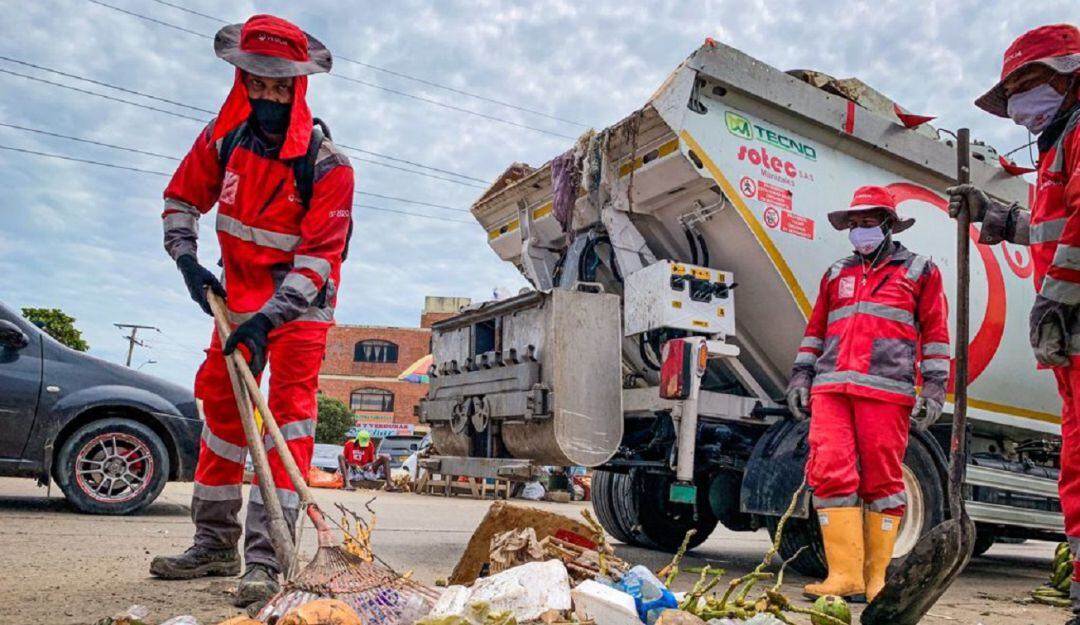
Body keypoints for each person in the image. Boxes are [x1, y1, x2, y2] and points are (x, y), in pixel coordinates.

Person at [148, 14, 354, 609]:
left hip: (299, 310)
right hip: (234, 305)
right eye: (255, 84)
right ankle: (214, 543)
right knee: (221, 408)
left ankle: (269, 557)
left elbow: (319, 259)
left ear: (298, 88)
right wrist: (188, 263)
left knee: (286, 422)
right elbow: (180, 199)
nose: (265, 95)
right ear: (241, 80)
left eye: (278, 86)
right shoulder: (223, 138)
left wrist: (270, 319)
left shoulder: (329, 166)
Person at [947, 24, 1080, 622]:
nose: (1022, 103)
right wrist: (995, 216)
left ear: (1068, 74)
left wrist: (1057, 299)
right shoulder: (1059, 145)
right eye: (1015, 91)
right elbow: (1051, 227)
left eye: (1030, 83)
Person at [787, 185, 950, 602]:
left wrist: (934, 388)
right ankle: (844, 576)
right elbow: (815, 332)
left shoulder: (920, 271)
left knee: (882, 481)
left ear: (889, 224)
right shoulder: (835, 274)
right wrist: (801, 377)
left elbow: (934, 334)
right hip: (832, 390)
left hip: (886, 394)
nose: (859, 230)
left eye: (868, 222)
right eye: (853, 223)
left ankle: (876, 577)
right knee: (830, 474)